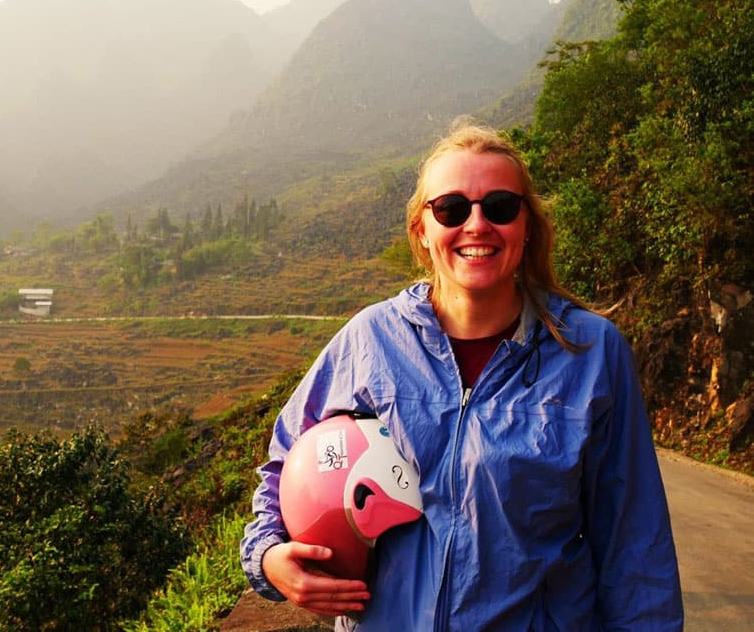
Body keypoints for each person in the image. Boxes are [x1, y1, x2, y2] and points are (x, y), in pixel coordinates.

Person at [240, 123, 683, 630]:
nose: (477, 225)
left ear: (527, 225)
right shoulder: (370, 340)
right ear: (422, 231)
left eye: (499, 206)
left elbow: (633, 537)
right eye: (452, 208)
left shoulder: (590, 351)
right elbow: (287, 460)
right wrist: (268, 556)